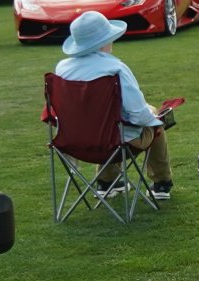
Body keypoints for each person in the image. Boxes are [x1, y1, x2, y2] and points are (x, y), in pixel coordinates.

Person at [54, 10, 173, 200]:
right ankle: (161, 183)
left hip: (73, 143)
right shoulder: (115, 69)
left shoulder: (61, 70)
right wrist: (155, 118)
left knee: (105, 123)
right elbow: (138, 114)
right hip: (115, 143)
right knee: (154, 120)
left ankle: (108, 182)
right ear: (103, 42)